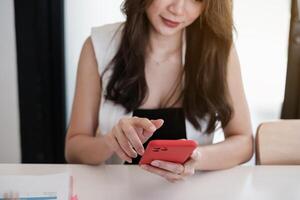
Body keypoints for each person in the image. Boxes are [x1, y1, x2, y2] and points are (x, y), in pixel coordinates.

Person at [65, 0, 254, 182]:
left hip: (192, 192)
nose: (178, 9)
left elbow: (244, 142)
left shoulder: (218, 50)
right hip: (115, 191)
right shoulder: (98, 46)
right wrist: (109, 142)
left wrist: (197, 157)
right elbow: (73, 149)